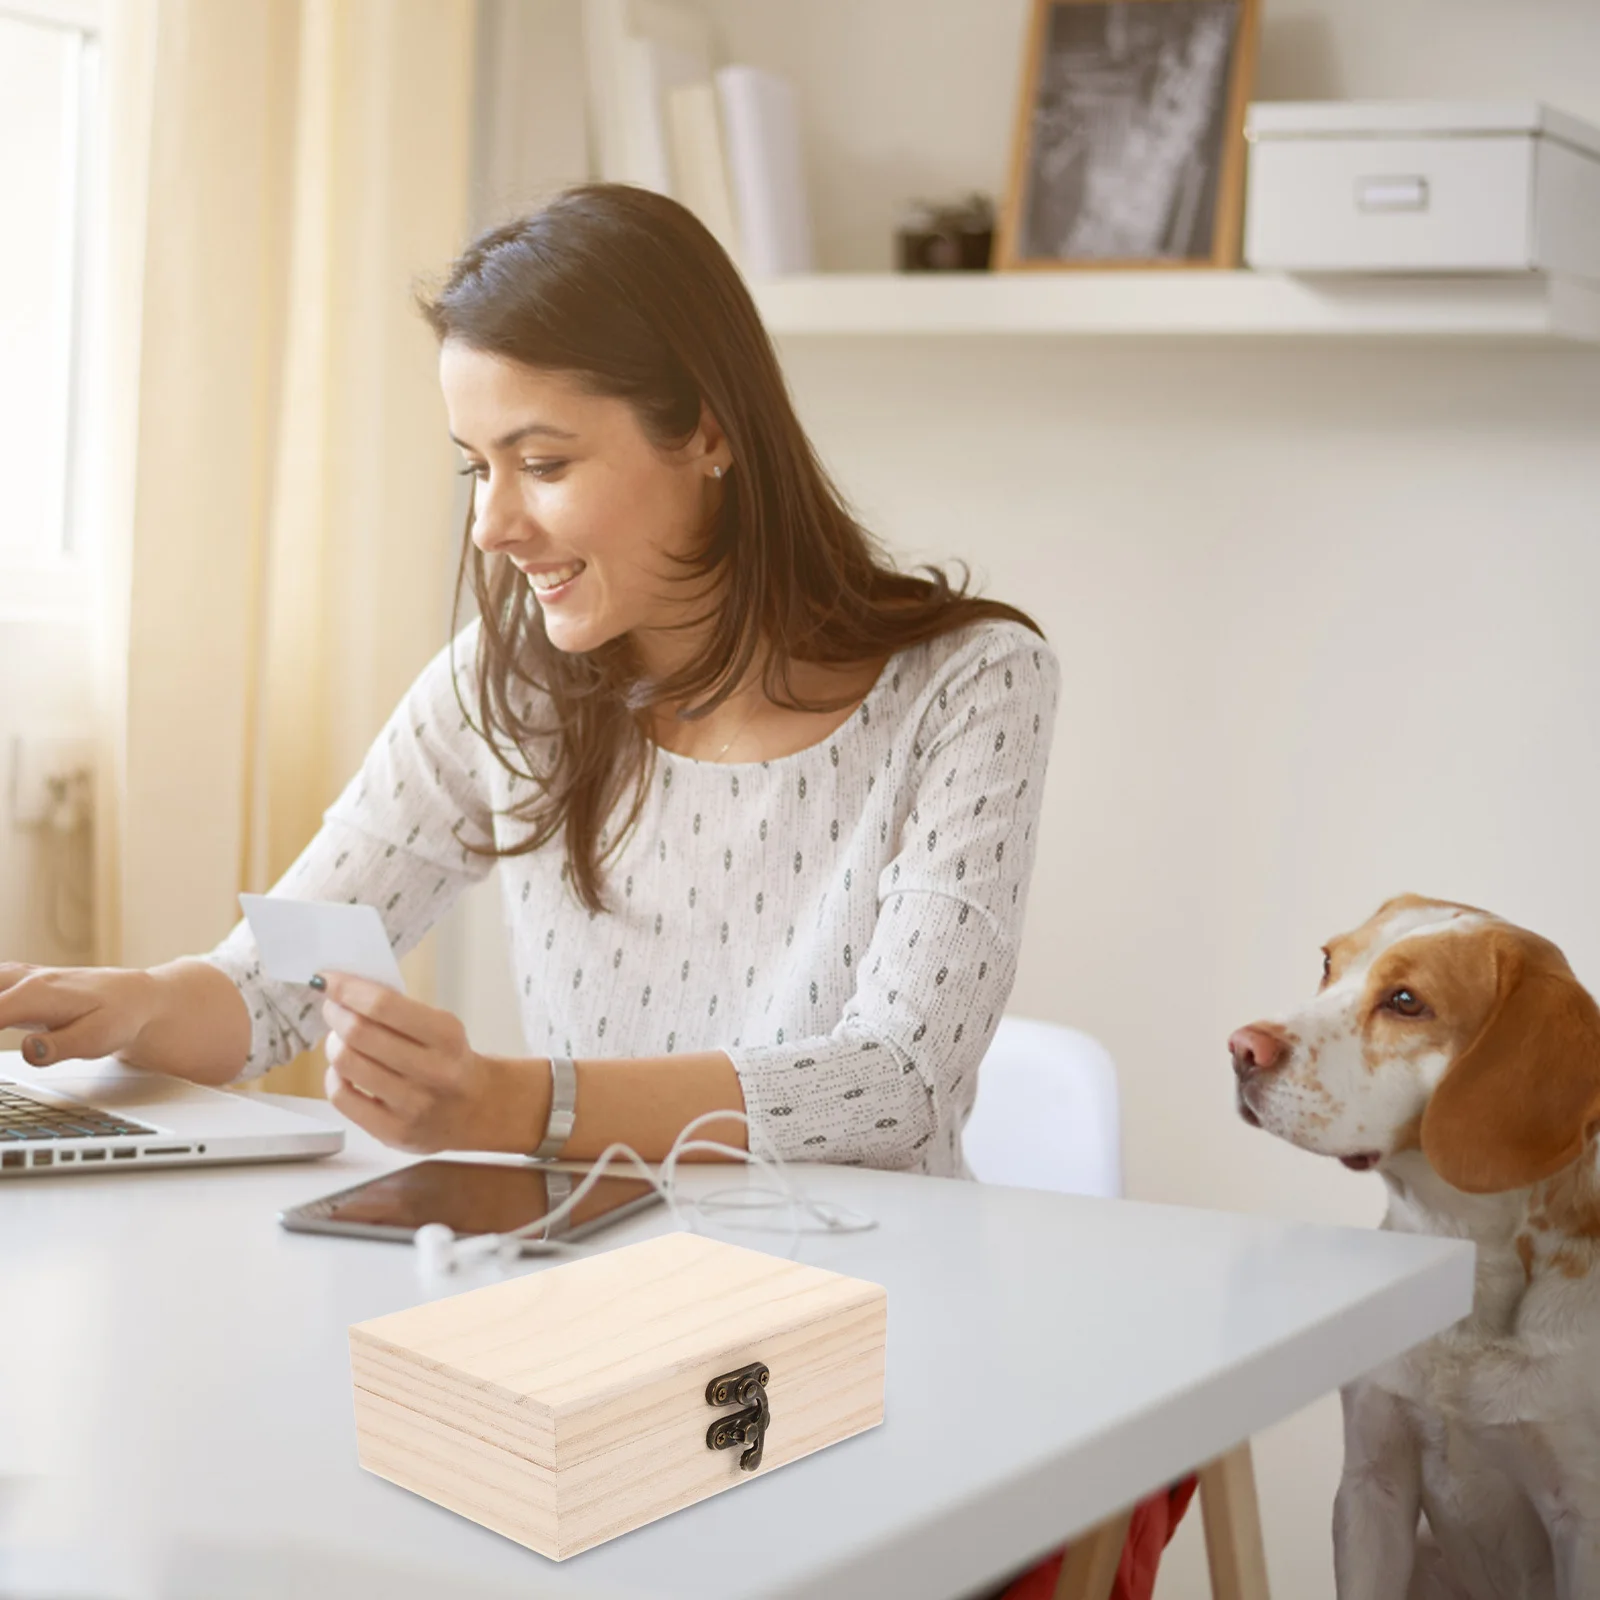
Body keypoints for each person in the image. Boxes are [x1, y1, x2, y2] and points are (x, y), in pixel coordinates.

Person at [0, 184, 1060, 1177]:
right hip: (594, 1277)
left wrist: (519, 1106)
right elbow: (275, 987)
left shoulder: (965, 686)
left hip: (875, 1294)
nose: (492, 526)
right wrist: (135, 1003)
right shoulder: (505, 687)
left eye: (542, 464)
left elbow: (894, 1081)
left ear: (706, 429)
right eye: (477, 465)